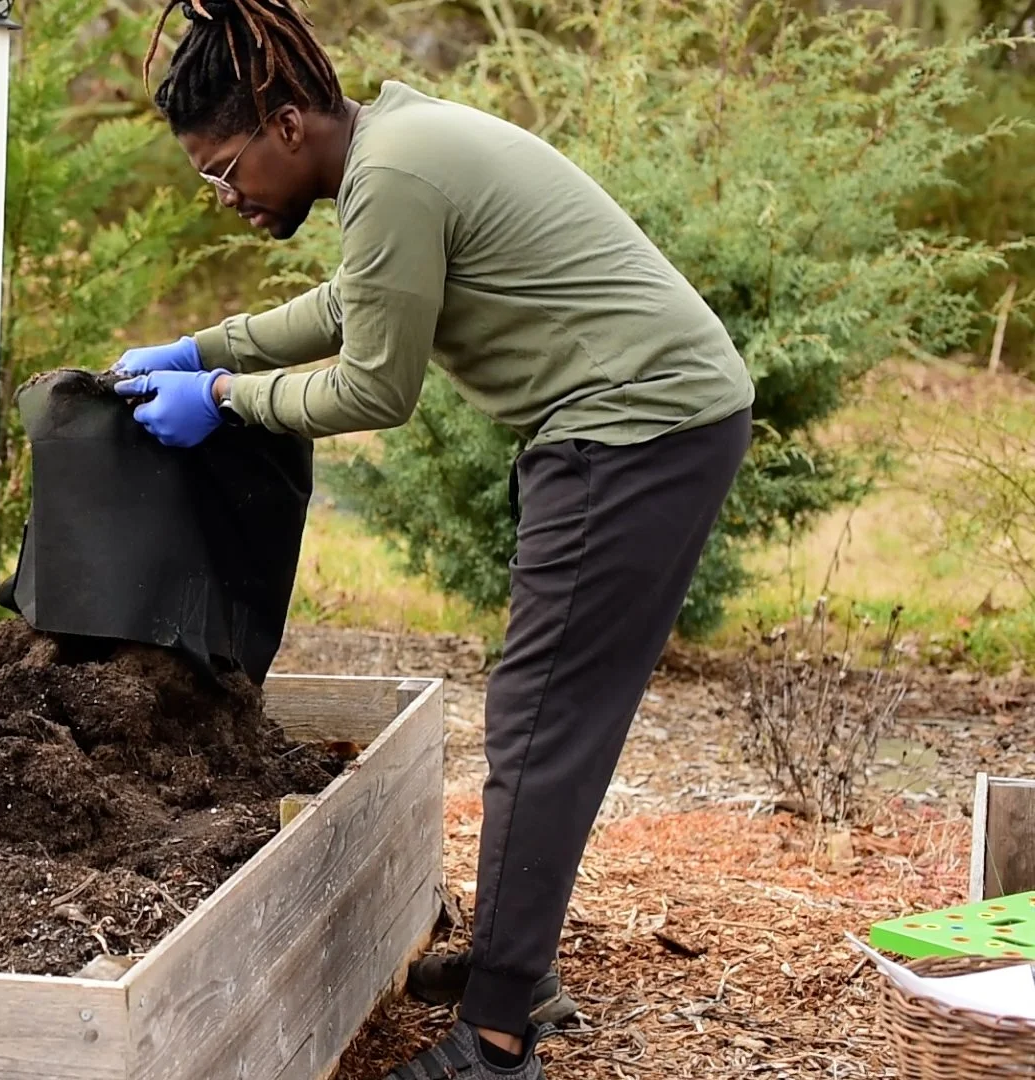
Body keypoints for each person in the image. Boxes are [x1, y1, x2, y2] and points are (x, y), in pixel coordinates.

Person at [115, 0, 756, 1076]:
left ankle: (497, 1041)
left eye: (224, 170)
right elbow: (351, 303)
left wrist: (221, 397)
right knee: (546, 718)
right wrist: (202, 345)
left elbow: (375, 386)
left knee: (543, 724)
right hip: (647, 420)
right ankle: (513, 963)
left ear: (285, 125)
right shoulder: (395, 148)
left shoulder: (395, 173)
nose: (225, 197)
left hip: (634, 429)